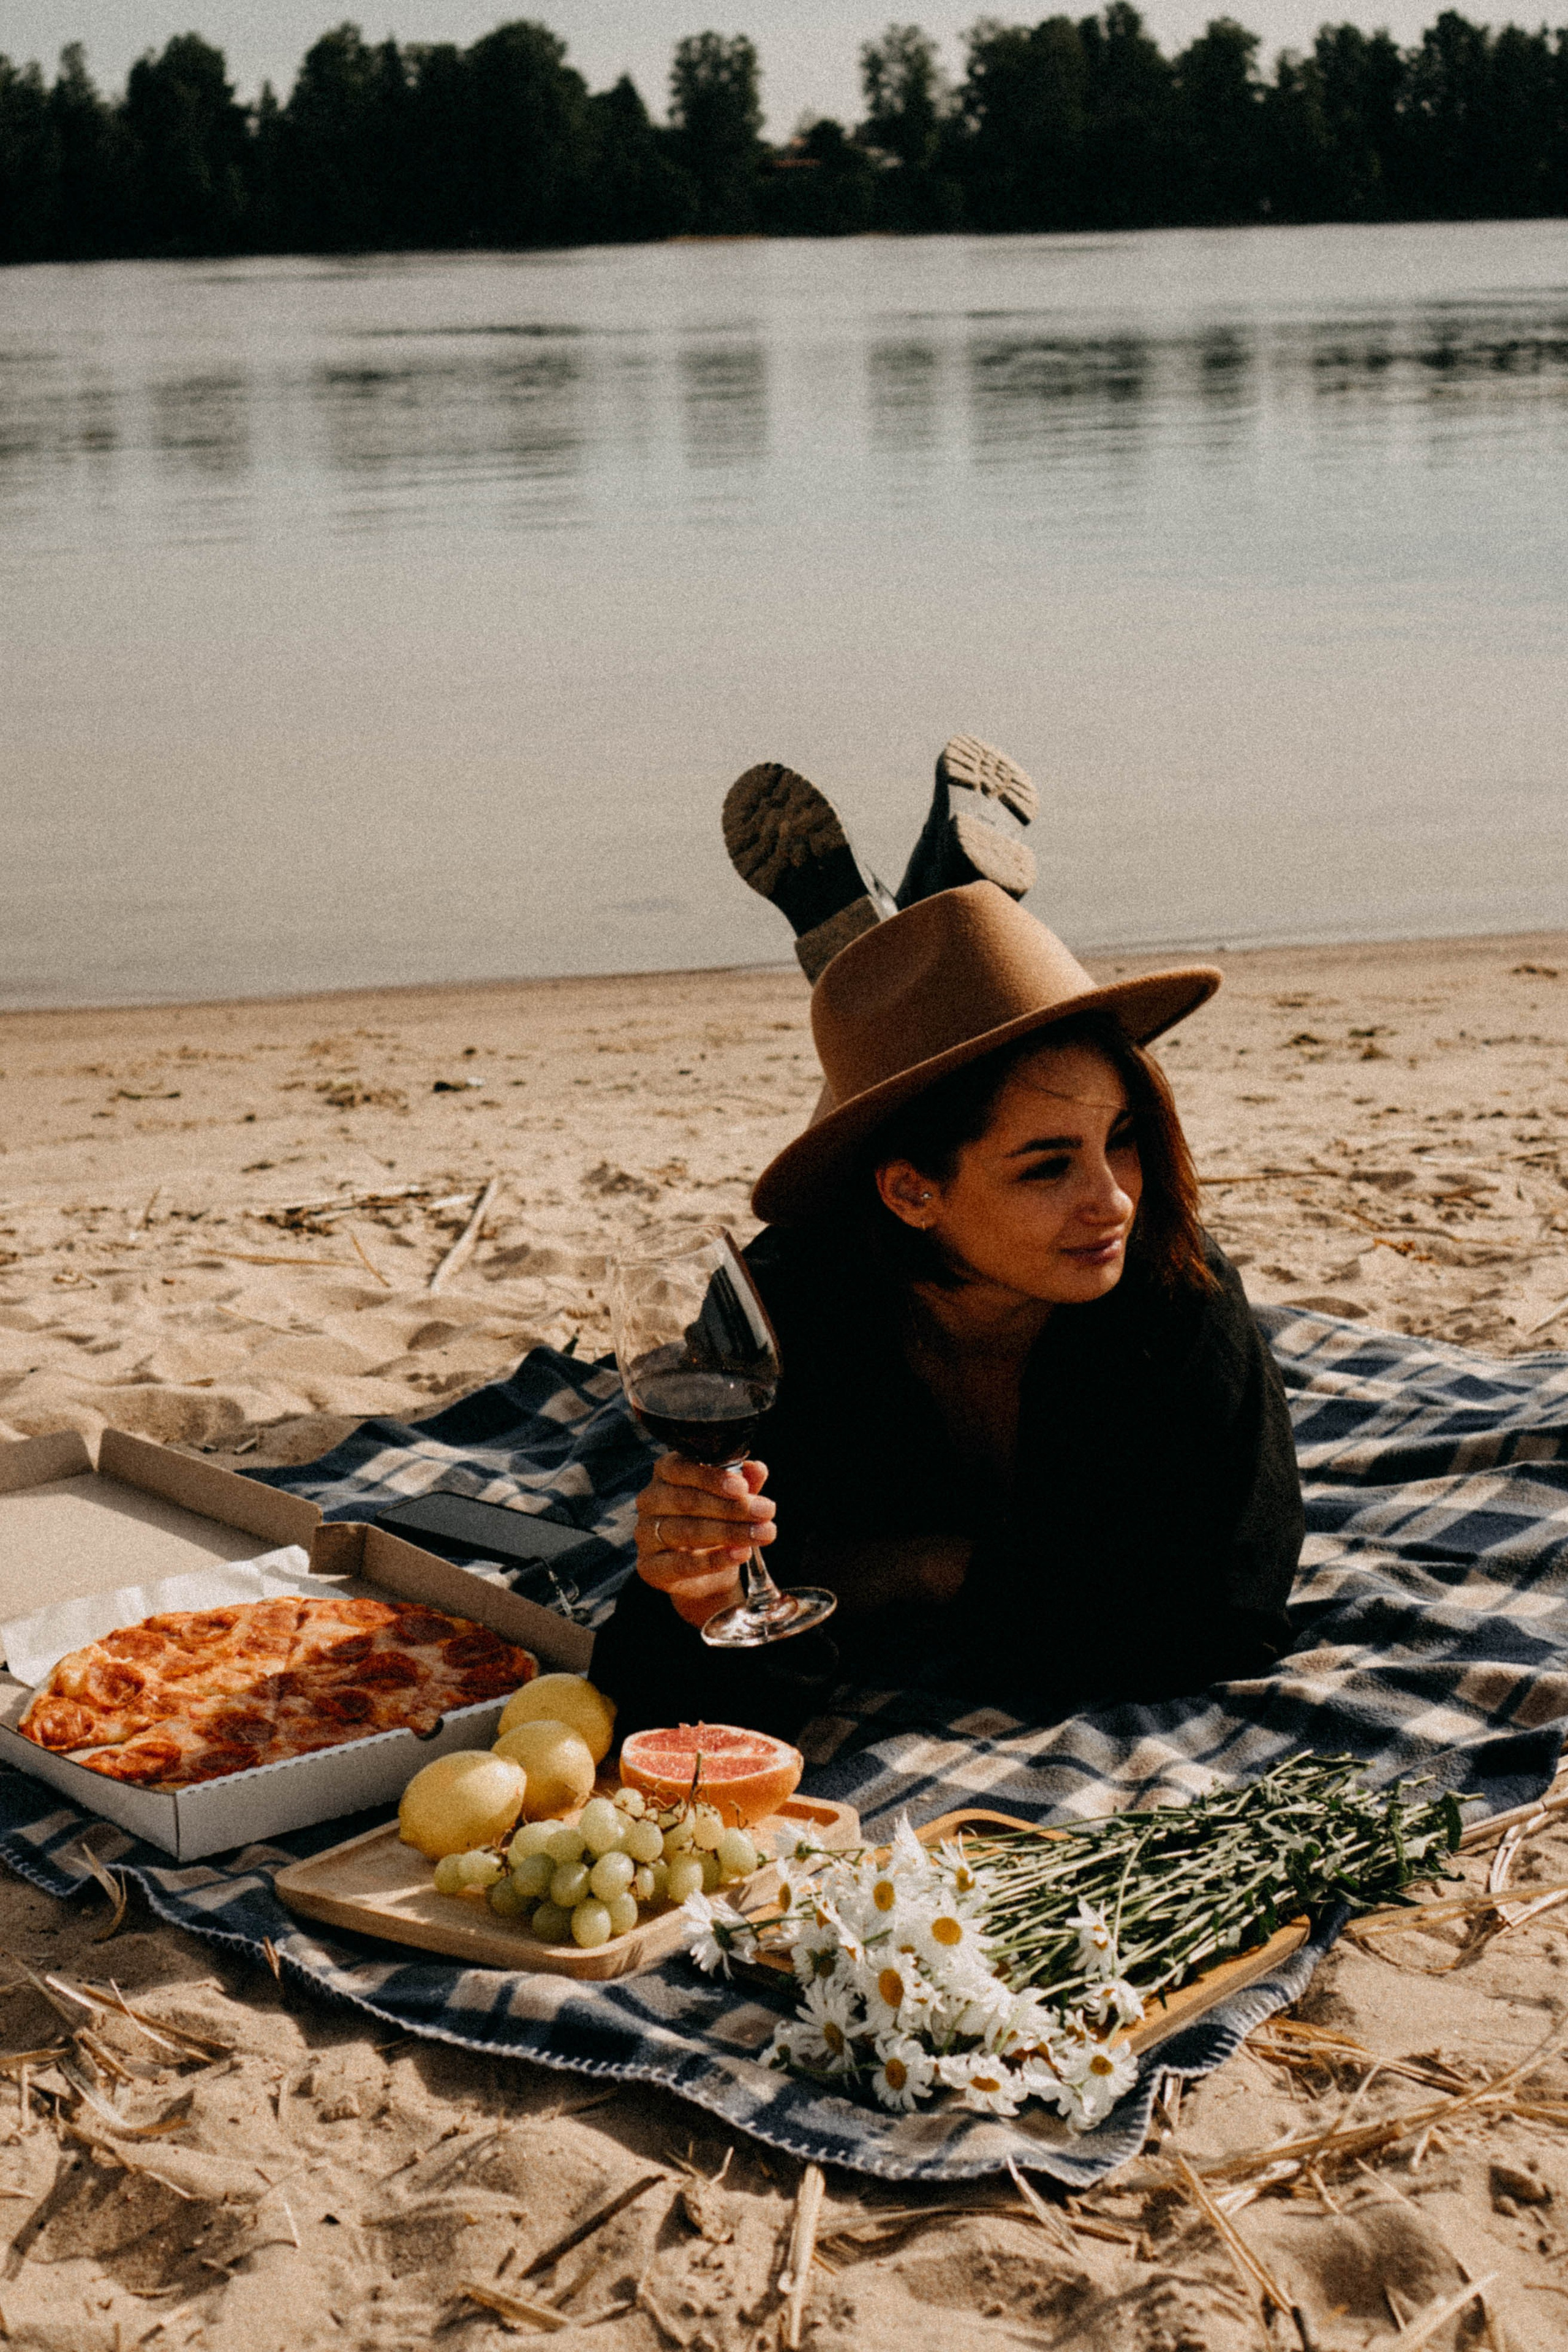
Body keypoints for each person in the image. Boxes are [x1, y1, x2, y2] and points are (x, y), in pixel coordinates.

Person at [590, 771, 1303, 1741]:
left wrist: (918, 1569)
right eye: (1048, 1166)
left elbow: (1222, 1619)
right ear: (912, 1191)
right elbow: (664, 1689)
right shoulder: (779, 1318)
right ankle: (903, 932)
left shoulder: (1176, 1290)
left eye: (1124, 1137)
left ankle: (901, 933)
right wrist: (690, 1594)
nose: (1116, 1200)